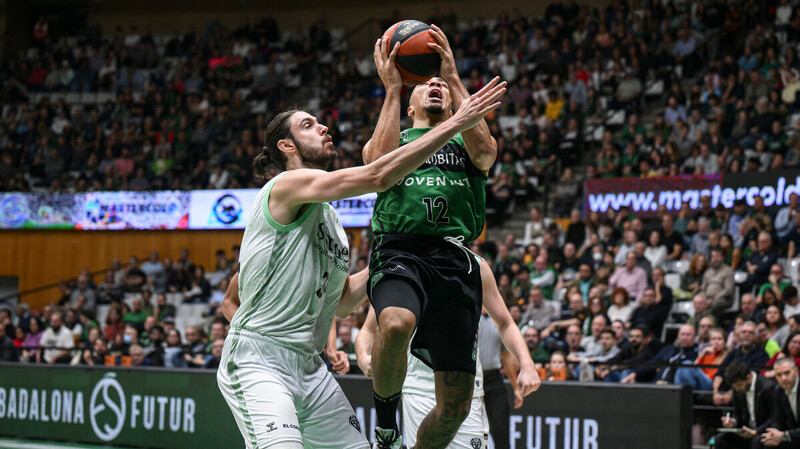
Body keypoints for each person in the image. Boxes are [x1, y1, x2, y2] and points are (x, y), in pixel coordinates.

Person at [216, 36, 508, 448]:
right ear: (286, 147)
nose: (323, 126)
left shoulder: (332, 224)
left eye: (320, 122)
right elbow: (375, 176)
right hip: (260, 359)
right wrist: (452, 120)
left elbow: (344, 301)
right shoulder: (286, 185)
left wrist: (411, 260)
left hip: (310, 367)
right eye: (308, 125)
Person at [362, 26, 511, 448]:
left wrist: (452, 73)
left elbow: (485, 150)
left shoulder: (468, 141)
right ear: (409, 106)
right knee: (394, 322)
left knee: (454, 410)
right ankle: (387, 426)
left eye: (440, 85)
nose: (434, 85)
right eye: (425, 83)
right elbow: (377, 166)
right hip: (401, 250)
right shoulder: (397, 138)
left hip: (455, 258)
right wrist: (392, 89)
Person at [354, 260, 539, 449]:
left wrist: (527, 363)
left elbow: (505, 323)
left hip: (466, 390)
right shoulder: (402, 262)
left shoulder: (475, 265)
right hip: (419, 388)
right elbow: (368, 330)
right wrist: (363, 357)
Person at [714, 362, 778, 449]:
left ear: (748, 377)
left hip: (763, 431)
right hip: (745, 431)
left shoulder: (768, 388)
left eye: (739, 385)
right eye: (735, 386)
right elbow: (737, 413)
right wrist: (732, 421)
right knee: (720, 439)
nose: (737, 389)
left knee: (757, 441)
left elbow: (774, 417)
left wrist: (756, 431)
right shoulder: (737, 389)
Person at [713, 322, 771, 406]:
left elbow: (750, 379)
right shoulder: (734, 352)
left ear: (756, 336)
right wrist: (715, 392)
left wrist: (731, 394)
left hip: (746, 391)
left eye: (750, 332)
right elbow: (719, 373)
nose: (746, 335)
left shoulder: (762, 355)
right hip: (725, 389)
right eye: (744, 332)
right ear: (739, 335)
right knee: (704, 397)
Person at [761, 357, 800, 447]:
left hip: (794, 435)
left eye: (787, 373)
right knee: (765, 442)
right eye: (779, 375)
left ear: (796, 371)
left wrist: (785, 435)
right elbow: (778, 419)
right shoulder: (778, 390)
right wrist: (773, 434)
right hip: (793, 436)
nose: (784, 378)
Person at [702, 247, 735, 322]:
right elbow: (703, 288)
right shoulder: (708, 271)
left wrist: (713, 299)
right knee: (698, 303)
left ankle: (713, 325)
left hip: (723, 299)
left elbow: (728, 290)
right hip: (708, 299)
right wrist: (704, 300)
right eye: (713, 257)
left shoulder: (728, 270)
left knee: (715, 305)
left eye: (717, 257)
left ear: (722, 257)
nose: (714, 259)